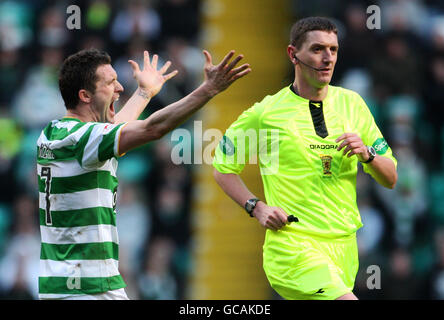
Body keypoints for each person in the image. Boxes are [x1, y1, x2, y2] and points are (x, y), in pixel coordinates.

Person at [37, 48, 250, 300]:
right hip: (86, 289)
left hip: (71, 285)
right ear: (85, 95)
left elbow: (117, 129)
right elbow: (153, 128)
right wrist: (208, 90)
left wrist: (145, 92)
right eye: (110, 83)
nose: (119, 88)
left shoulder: (55, 132)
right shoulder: (84, 139)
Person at [212, 17, 397, 300]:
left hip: (344, 246)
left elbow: (391, 178)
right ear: (293, 54)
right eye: (318, 49)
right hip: (292, 247)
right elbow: (222, 168)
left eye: (333, 50)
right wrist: (256, 207)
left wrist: (368, 155)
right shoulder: (267, 113)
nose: (327, 59)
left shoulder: (353, 104)